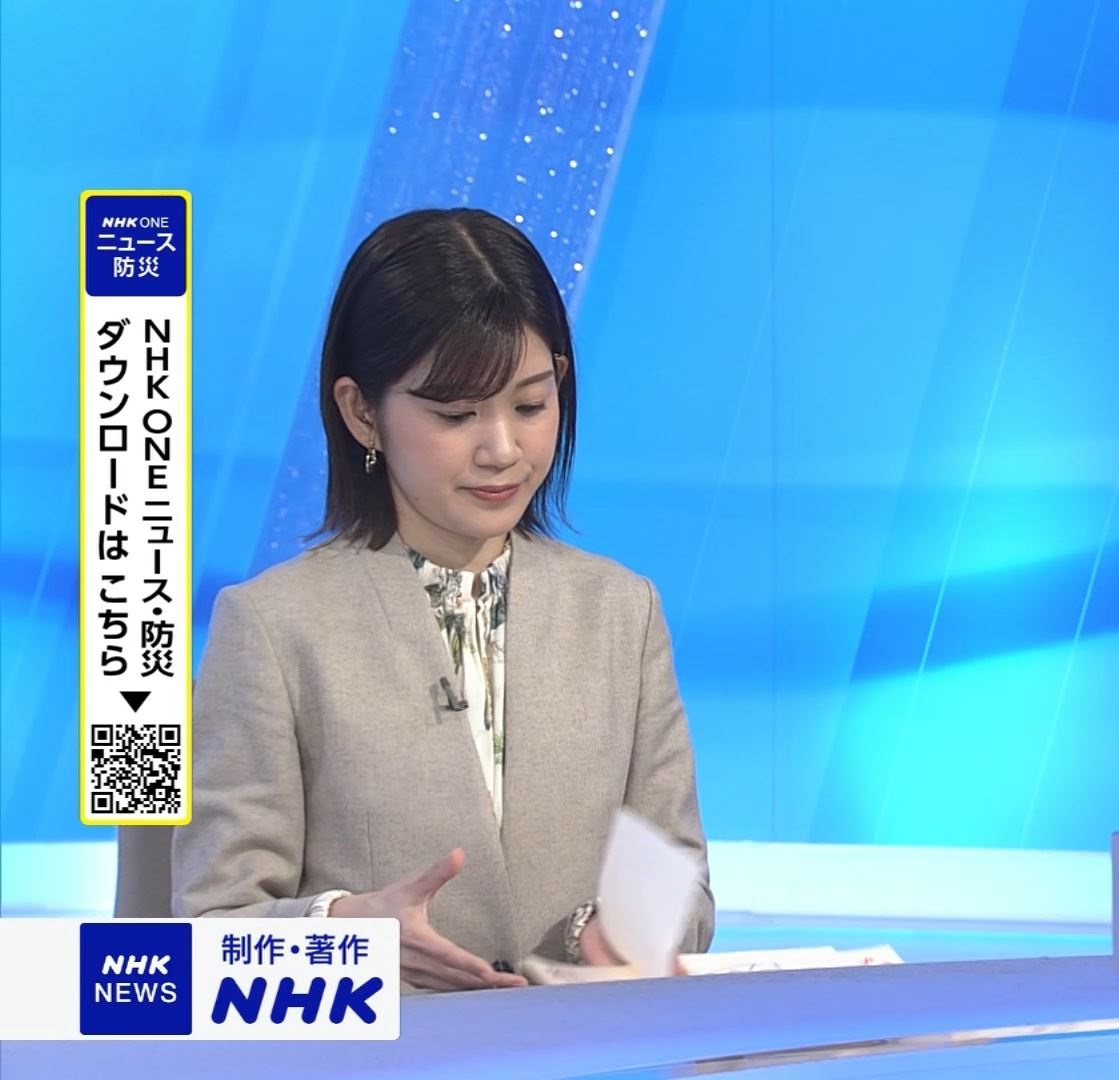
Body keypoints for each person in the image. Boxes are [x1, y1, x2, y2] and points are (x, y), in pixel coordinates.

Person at [172, 208, 714, 991]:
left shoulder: (621, 612)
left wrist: (620, 930)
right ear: (363, 412)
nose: (502, 449)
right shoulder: (273, 628)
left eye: (530, 406)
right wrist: (346, 931)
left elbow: (684, 886)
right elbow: (210, 930)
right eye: (456, 414)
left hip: (583, 1043)